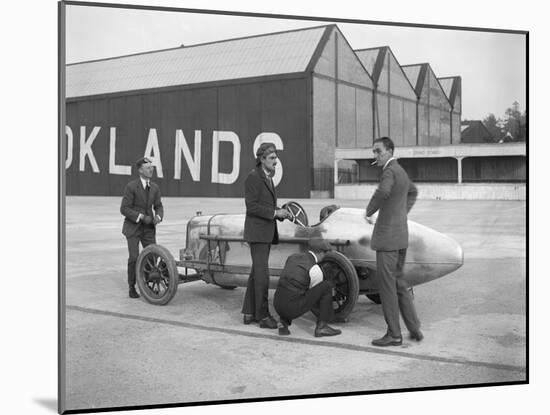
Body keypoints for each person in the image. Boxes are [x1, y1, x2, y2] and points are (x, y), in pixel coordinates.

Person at [365, 137, 422, 347]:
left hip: (388, 240)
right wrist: (401, 214)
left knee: (387, 287)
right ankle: (414, 328)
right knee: (399, 283)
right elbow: (413, 192)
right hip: (400, 238)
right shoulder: (402, 171)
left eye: (378, 151)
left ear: (389, 151)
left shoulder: (389, 171)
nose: (376, 155)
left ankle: (394, 334)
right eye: (374, 152)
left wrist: (369, 211)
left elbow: (383, 192)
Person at [242, 143, 291, 328]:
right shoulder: (253, 177)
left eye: (276, 158)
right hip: (258, 234)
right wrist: (274, 213)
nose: (275, 161)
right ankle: (263, 317)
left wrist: (280, 211)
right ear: (261, 159)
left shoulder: (267, 178)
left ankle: (248, 313)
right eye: (271, 158)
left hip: (265, 232)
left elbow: (264, 204)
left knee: (257, 274)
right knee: (262, 276)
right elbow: (252, 206)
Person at [274, 238, 341, 337]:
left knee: (290, 290)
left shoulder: (292, 257)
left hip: (277, 304)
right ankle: (321, 327)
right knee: (326, 286)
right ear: (320, 253)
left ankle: (283, 323)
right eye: (325, 253)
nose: (325, 256)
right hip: (292, 308)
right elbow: (315, 295)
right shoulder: (315, 269)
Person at [120, 157, 164, 299]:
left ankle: (148, 287)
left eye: (152, 167)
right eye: (148, 168)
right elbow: (124, 209)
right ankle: (132, 287)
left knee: (152, 257)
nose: (151, 170)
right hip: (133, 227)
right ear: (140, 170)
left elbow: (158, 206)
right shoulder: (131, 186)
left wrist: (158, 216)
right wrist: (140, 216)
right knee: (134, 257)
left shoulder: (155, 187)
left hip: (149, 228)